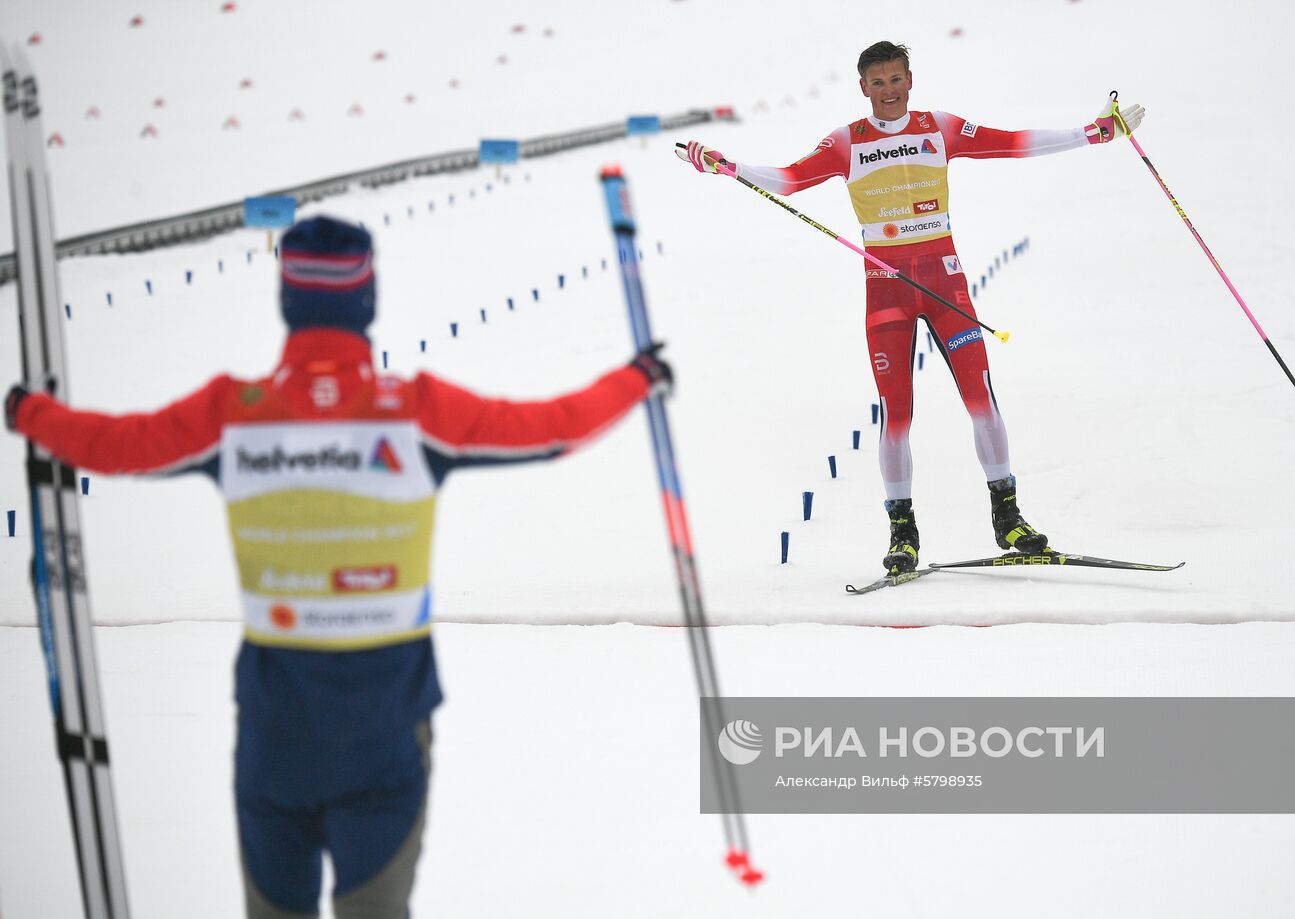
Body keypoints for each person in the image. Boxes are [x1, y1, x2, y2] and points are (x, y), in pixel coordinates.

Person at [5, 216, 670, 918]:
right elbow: (556, 425)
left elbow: (116, 445)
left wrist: (31, 413)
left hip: (275, 735)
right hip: (385, 734)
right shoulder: (413, 412)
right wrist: (639, 377)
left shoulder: (237, 413)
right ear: (367, 299)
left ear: (287, 301)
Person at [683, 40, 1145, 574]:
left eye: (895, 80)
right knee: (896, 413)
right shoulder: (846, 141)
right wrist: (725, 166)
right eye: (876, 83)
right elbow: (789, 179)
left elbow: (1010, 144)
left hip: (946, 285)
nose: (887, 91)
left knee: (981, 399)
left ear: (910, 80)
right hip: (886, 292)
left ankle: (1009, 518)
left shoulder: (937, 126)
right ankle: (903, 534)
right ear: (863, 88)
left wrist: (1093, 133)